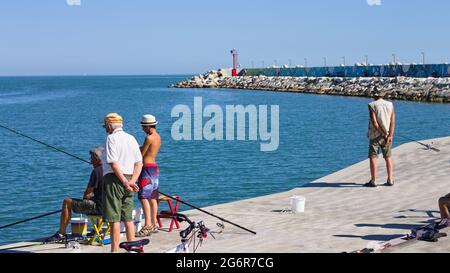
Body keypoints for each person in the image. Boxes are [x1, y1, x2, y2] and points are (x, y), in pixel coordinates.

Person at [45, 147, 104, 242]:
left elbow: (87, 194)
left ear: (97, 159)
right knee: (99, 199)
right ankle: (99, 229)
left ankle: (61, 233)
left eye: (92, 158)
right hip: (109, 209)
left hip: (98, 209)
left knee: (66, 201)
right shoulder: (110, 169)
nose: (90, 161)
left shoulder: (96, 172)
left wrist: (88, 197)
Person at [102, 113, 143, 252]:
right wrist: (132, 181)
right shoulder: (131, 138)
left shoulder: (111, 138)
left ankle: (114, 251)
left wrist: (125, 182)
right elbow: (139, 163)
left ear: (109, 125)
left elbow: (113, 163)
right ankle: (132, 247)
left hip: (115, 180)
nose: (105, 129)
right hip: (130, 179)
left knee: (114, 219)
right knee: (128, 217)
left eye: (105, 126)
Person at [136, 114, 161, 237]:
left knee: (143, 197)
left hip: (146, 169)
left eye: (143, 126)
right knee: (153, 197)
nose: (142, 129)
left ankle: (147, 225)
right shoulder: (158, 137)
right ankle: (154, 223)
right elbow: (150, 151)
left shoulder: (149, 138)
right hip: (154, 168)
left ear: (148, 126)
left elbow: (141, 153)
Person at [364, 88, 395, 187]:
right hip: (387, 136)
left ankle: (373, 181)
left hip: (375, 135)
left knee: (373, 157)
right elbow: (392, 121)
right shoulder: (390, 105)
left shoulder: (372, 105)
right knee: (388, 157)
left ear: (375, 95)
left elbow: (375, 123)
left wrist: (383, 134)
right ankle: (390, 179)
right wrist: (390, 135)